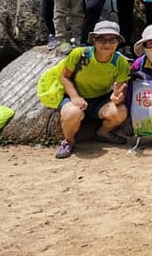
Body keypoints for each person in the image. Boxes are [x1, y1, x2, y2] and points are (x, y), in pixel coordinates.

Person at [53, 20, 132, 160]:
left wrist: (117, 98)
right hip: (75, 95)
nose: (107, 44)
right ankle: (68, 141)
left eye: (112, 40)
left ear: (118, 42)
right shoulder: (79, 54)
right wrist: (75, 97)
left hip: (101, 99)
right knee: (72, 113)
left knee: (120, 112)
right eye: (102, 39)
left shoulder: (121, 62)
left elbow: (119, 89)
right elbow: (65, 77)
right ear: (94, 40)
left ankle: (103, 132)